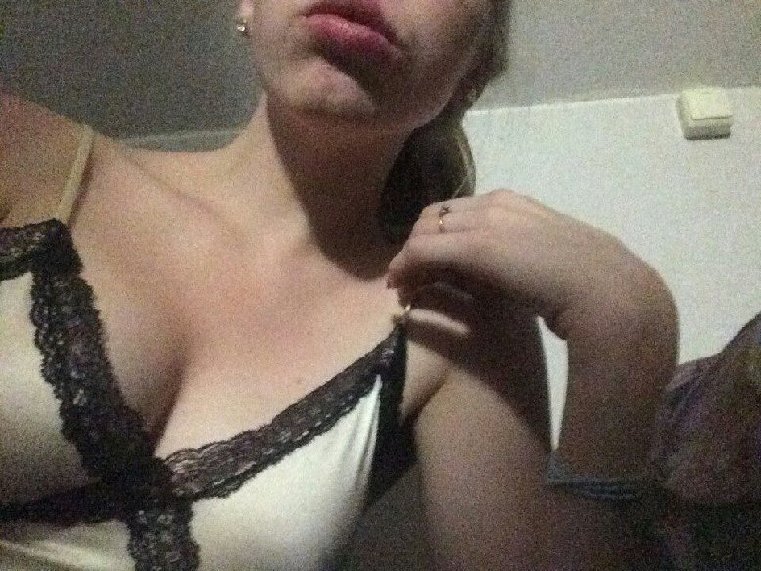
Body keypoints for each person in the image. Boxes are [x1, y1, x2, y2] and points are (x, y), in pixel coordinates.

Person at [0, 0, 678, 569]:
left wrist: (630, 337)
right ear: (248, 3)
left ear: (469, 77)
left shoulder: (459, 326)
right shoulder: (25, 154)